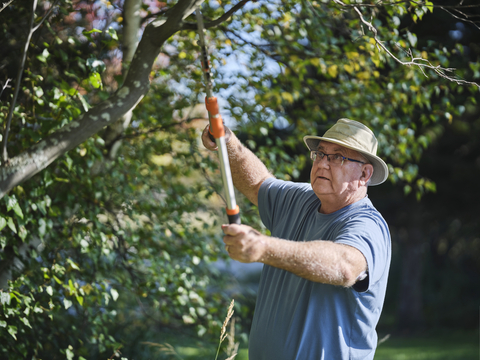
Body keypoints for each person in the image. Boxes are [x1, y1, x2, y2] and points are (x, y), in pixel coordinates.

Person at [202, 118, 391, 360]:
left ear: (365, 173)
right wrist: (227, 141)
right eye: (320, 154)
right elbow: (258, 182)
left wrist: (263, 247)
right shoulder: (302, 199)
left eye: (338, 157)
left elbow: (345, 266)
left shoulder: (367, 224)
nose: (323, 164)